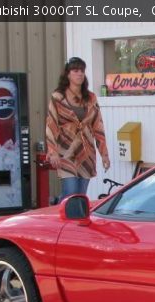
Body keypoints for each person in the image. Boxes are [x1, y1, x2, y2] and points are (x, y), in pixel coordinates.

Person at [45, 57, 110, 202]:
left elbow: (98, 126)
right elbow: (51, 125)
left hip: (86, 152)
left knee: (80, 196)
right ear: (68, 74)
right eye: (75, 71)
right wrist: (52, 151)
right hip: (65, 152)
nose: (79, 74)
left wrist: (104, 154)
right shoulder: (58, 98)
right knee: (70, 193)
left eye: (82, 71)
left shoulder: (90, 98)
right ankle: (60, 209)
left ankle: (60, 207)